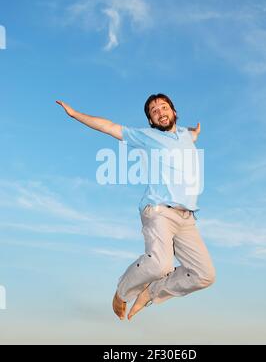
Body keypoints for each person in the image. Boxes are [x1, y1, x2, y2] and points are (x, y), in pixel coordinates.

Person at [56, 93, 215, 321]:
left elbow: (190, 134)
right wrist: (74, 114)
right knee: (161, 264)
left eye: (164, 107)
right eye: (154, 111)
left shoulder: (185, 135)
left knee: (205, 275)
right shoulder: (147, 136)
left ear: (174, 112)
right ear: (151, 120)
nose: (160, 112)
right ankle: (122, 292)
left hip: (187, 218)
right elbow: (109, 127)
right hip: (159, 211)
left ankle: (151, 292)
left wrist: (195, 132)